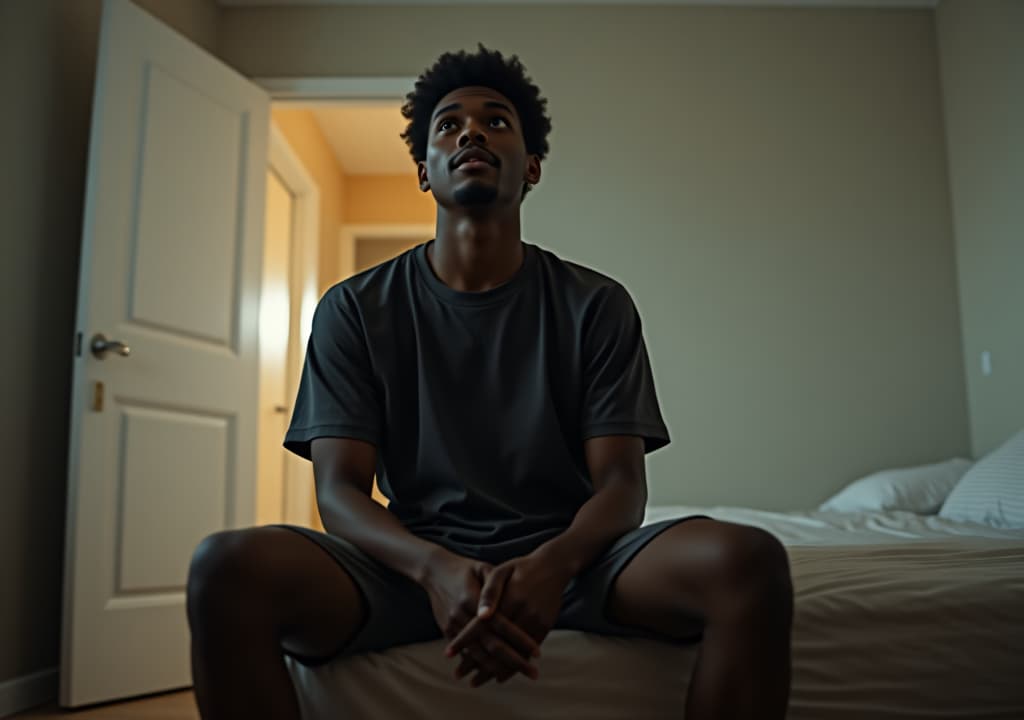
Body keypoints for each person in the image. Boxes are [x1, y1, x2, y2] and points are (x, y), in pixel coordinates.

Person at [186, 45, 793, 720]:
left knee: (748, 561)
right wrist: (433, 569)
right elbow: (338, 490)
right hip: (409, 572)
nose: (471, 132)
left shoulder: (596, 304)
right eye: (448, 125)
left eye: (496, 121)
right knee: (225, 568)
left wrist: (553, 567)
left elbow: (621, 486)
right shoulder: (354, 309)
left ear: (531, 166)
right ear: (424, 171)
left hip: (574, 565)